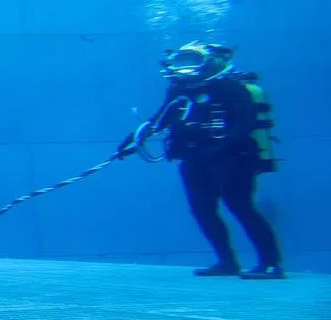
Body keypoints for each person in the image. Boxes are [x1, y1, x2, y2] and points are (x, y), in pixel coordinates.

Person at [116, 42, 284, 279]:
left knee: (241, 207)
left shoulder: (229, 87)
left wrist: (221, 147)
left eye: (191, 61)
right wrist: (132, 140)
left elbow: (246, 123)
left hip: (234, 158)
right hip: (195, 158)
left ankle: (271, 264)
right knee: (202, 210)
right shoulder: (179, 88)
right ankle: (226, 262)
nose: (185, 69)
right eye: (181, 62)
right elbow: (161, 118)